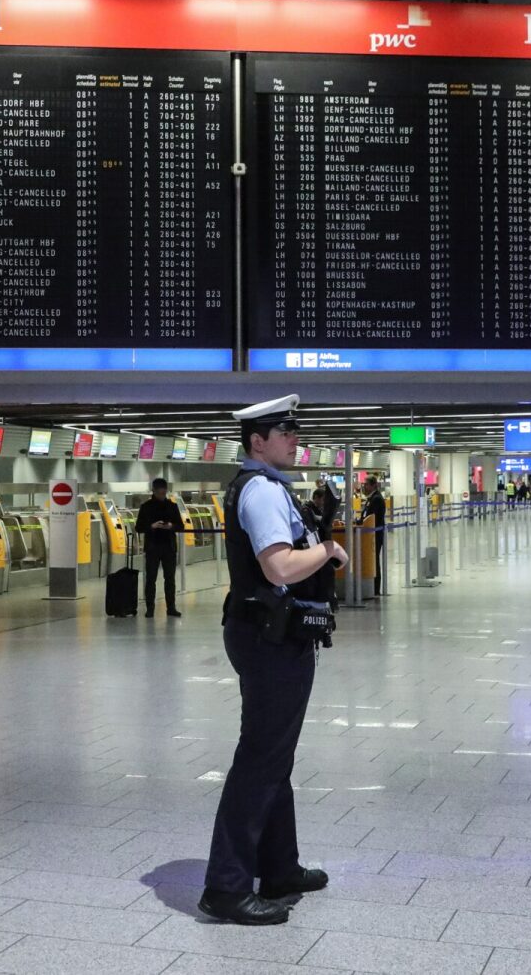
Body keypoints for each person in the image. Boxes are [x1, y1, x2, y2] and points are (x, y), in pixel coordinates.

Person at [200, 394, 349, 926]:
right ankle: (226, 886)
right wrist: (329, 551)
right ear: (256, 441)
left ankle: (279, 866)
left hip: (269, 635)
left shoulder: (271, 488)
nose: (294, 439)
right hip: (268, 639)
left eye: (294, 430)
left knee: (275, 755)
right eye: (284, 431)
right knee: (261, 759)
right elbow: (280, 566)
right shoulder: (261, 492)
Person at [134, 477, 185, 618]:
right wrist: (151, 526)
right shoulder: (146, 507)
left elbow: (181, 526)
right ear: (154, 491)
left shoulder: (172, 506)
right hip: (152, 547)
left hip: (169, 546)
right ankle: (150, 608)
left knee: (170, 579)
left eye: (164, 493)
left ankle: (171, 607)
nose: (162, 496)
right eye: (160, 493)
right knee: (151, 579)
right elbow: (138, 527)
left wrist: (171, 526)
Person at [361, 475, 386, 596]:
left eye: (366, 484)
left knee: (374, 560)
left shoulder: (376, 499)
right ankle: (373, 587)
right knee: (373, 559)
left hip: (374, 535)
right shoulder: (371, 498)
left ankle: (375, 588)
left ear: (373, 485)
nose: (364, 487)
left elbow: (372, 518)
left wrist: (362, 521)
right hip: (370, 534)